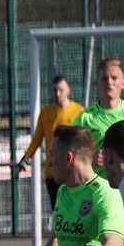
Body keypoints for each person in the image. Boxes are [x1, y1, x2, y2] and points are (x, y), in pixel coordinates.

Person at [18, 75, 84, 209]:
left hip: (74, 171)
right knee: (58, 211)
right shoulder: (45, 113)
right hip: (53, 172)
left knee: (76, 209)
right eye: (55, 90)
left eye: (61, 90)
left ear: (68, 90)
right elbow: (37, 139)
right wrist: (26, 157)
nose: (58, 94)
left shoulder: (80, 112)